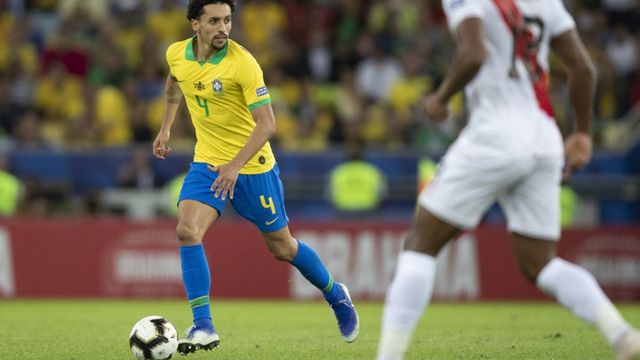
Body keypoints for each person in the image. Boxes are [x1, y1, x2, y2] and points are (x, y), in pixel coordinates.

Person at [376, 0, 640, 359]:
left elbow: (473, 54)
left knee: (420, 243)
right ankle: (622, 334)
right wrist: (581, 133)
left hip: (495, 133)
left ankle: (387, 356)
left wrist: (441, 98)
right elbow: (582, 67)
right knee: (541, 263)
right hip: (543, 135)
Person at [151, 0, 358, 355]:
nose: (223, 28)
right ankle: (203, 326)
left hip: (252, 166)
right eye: (214, 21)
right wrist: (166, 128)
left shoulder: (242, 63)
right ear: (194, 25)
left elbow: (268, 124)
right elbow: (174, 83)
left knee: (282, 247)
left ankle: (336, 295)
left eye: (228, 20)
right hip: (208, 161)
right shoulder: (176, 54)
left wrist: (234, 166)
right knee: (187, 230)